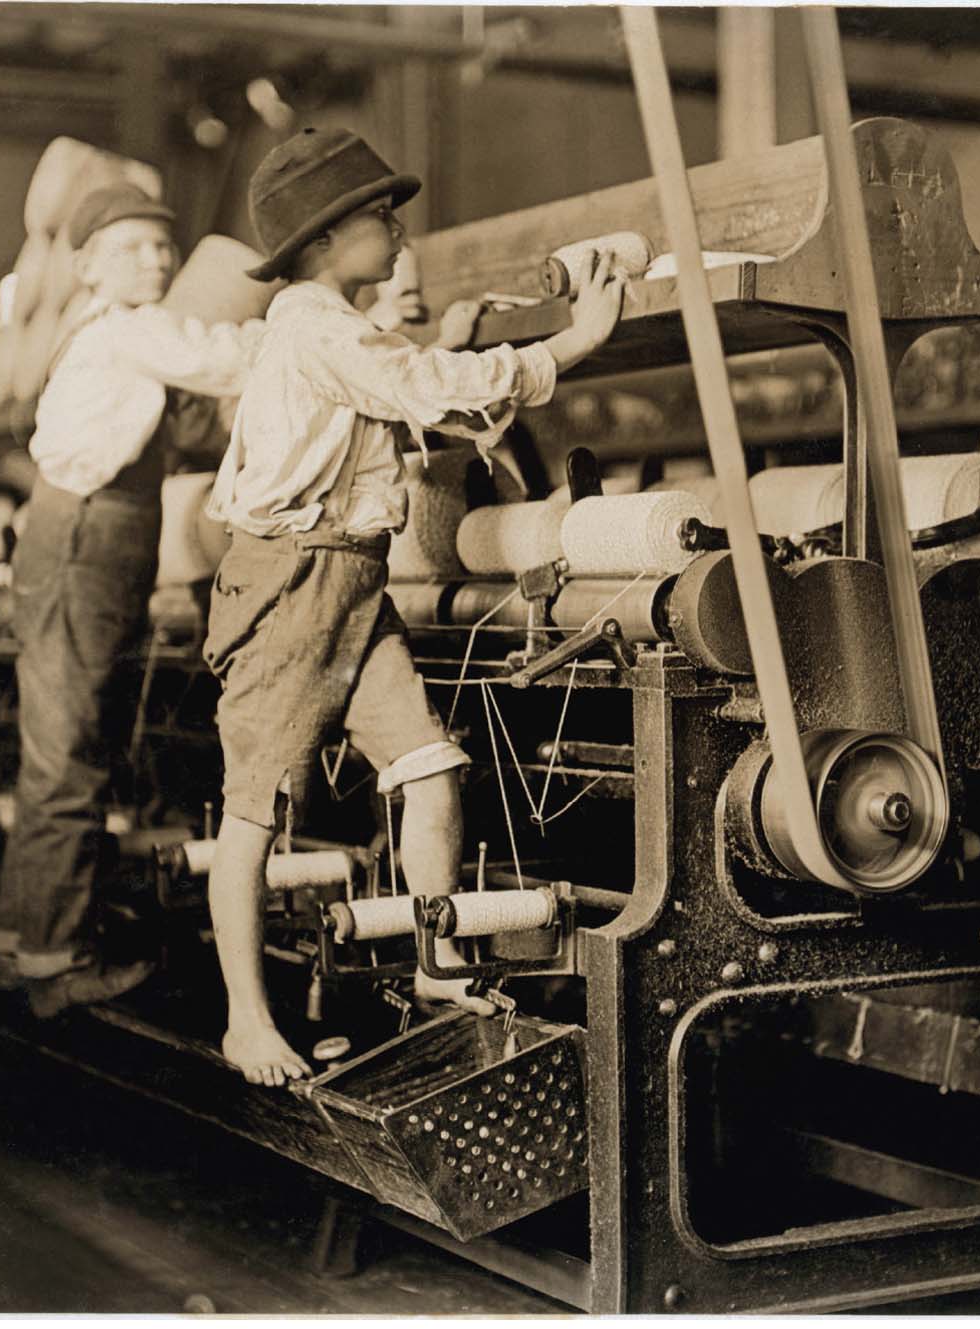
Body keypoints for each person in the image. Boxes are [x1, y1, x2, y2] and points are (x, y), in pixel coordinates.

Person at [200, 129, 625, 1084]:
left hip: (352, 580)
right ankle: (244, 1020)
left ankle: (437, 964)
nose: (397, 230)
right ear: (320, 241)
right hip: (291, 586)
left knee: (431, 768)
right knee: (254, 817)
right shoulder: (316, 325)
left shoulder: (334, 327)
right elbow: (427, 385)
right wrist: (572, 343)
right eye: (377, 217)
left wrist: (485, 347)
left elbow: (420, 388)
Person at [0, 183, 264, 1018]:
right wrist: (317, 324)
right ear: (87, 266)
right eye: (132, 247)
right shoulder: (131, 329)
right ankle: (58, 963)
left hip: (76, 539)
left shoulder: (104, 334)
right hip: (88, 545)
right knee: (70, 754)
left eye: (160, 246)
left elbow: (181, 424)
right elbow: (230, 358)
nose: (155, 259)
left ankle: (21, 937)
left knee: (59, 752)